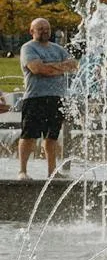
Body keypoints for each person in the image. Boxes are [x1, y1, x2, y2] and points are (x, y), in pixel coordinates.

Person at [18, 17, 74, 181]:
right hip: (35, 98)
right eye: (40, 28)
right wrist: (58, 67)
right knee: (29, 135)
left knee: (52, 137)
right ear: (32, 31)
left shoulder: (58, 49)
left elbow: (72, 66)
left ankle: (52, 172)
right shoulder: (28, 48)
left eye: (47, 28)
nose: (44, 31)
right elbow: (37, 69)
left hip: (56, 98)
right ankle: (22, 171)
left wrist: (49, 66)